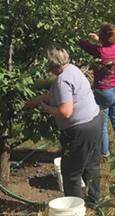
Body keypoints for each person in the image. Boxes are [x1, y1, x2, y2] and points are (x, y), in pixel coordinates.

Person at [25, 45, 103, 202]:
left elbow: (65, 112)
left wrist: (47, 108)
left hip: (80, 131)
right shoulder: (73, 70)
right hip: (95, 121)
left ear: (52, 64)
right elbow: (51, 94)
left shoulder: (63, 80)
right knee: (91, 165)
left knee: (71, 173)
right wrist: (30, 103)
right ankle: (96, 200)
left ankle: (74, 211)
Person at [78, 22, 115, 160]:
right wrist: (99, 40)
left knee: (103, 123)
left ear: (102, 37)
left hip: (104, 91)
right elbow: (107, 47)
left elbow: (83, 44)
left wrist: (75, 31)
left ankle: (104, 154)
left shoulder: (99, 52)